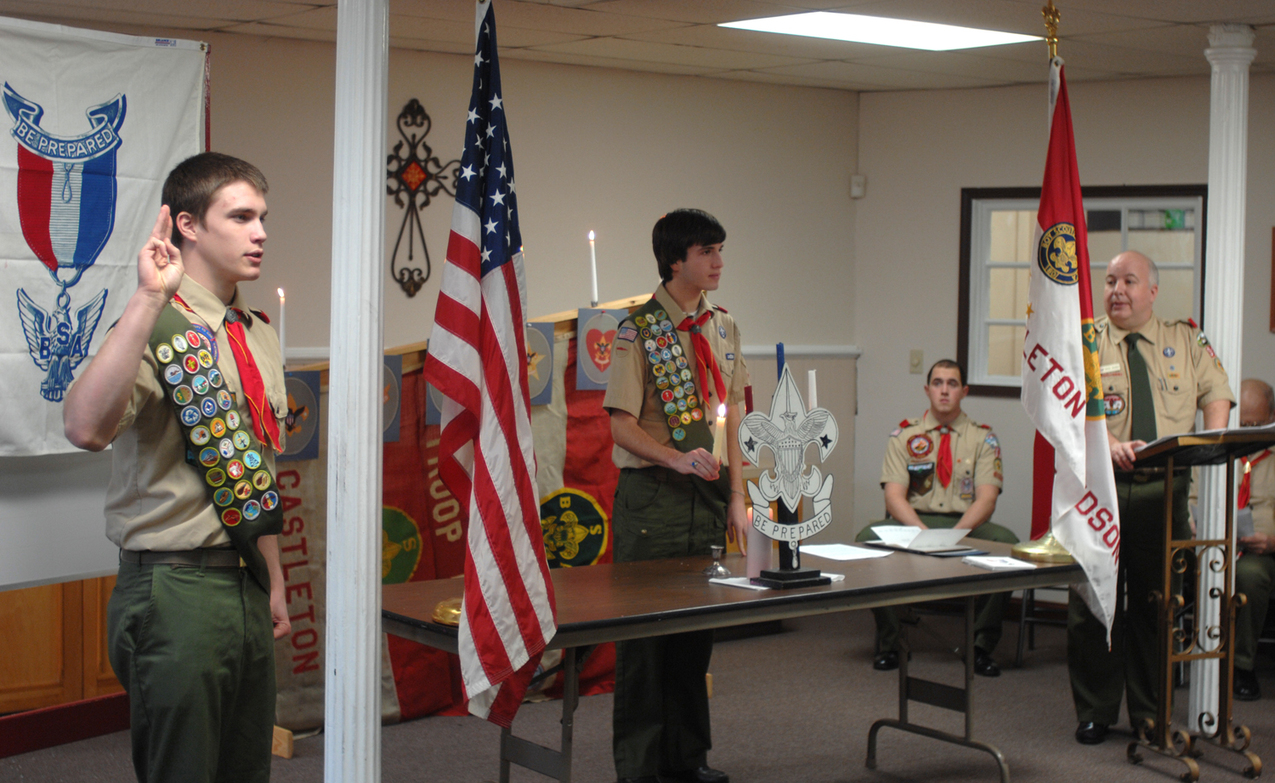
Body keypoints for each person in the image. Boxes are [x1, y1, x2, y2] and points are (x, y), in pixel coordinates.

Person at [63, 153, 290, 782]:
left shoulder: (256, 333)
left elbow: (255, 469)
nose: (260, 232)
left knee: (246, 770)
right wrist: (144, 299)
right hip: (174, 588)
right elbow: (84, 427)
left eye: (262, 217)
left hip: (242, 579)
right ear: (187, 225)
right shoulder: (154, 323)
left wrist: (272, 580)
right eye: (241, 216)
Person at [602, 209, 750, 783]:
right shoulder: (639, 330)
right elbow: (620, 425)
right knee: (644, 643)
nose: (718, 262)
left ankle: (688, 759)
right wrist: (673, 457)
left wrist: (738, 492)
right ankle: (639, 769)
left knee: (694, 636)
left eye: (719, 250)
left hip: (708, 499)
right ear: (675, 260)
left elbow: (734, 412)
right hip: (654, 499)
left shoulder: (724, 326)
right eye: (707, 251)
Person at [1069, 250, 1233, 745]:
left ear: (1152, 292)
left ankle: (1149, 712)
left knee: (1156, 605)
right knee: (1095, 604)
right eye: (1111, 280)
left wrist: (1209, 445)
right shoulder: (1085, 343)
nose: (1117, 290)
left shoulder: (1185, 339)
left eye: (1129, 281)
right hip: (1102, 493)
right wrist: (1106, 443)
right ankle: (1095, 710)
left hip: (1164, 492)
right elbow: (1064, 410)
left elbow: (1215, 392)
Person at [855, 359, 1018, 676]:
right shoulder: (905, 434)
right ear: (927, 389)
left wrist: (955, 536)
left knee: (1009, 547)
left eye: (952, 384)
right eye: (939, 383)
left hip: (966, 525)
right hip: (914, 523)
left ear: (964, 391)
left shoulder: (983, 438)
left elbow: (987, 498)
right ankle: (892, 642)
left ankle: (980, 647)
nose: (945, 390)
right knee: (866, 540)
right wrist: (923, 534)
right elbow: (893, 496)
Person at [1232, 379, 1275, 700]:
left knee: (1249, 575)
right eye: (1241, 423)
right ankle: (1169, 659)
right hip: (1210, 545)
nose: (1247, 431)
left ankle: (1241, 666)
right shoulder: (1217, 448)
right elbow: (1189, 499)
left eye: (1256, 425)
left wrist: (1272, 542)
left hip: (1262, 551)